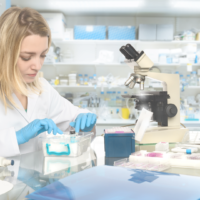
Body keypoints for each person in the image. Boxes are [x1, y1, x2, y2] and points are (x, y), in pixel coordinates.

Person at [0, 7, 97, 157]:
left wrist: (86, 125)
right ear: (5, 52)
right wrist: (16, 137)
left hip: (37, 178)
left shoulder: (41, 87)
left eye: (43, 55)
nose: (37, 66)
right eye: (27, 57)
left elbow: (73, 119)